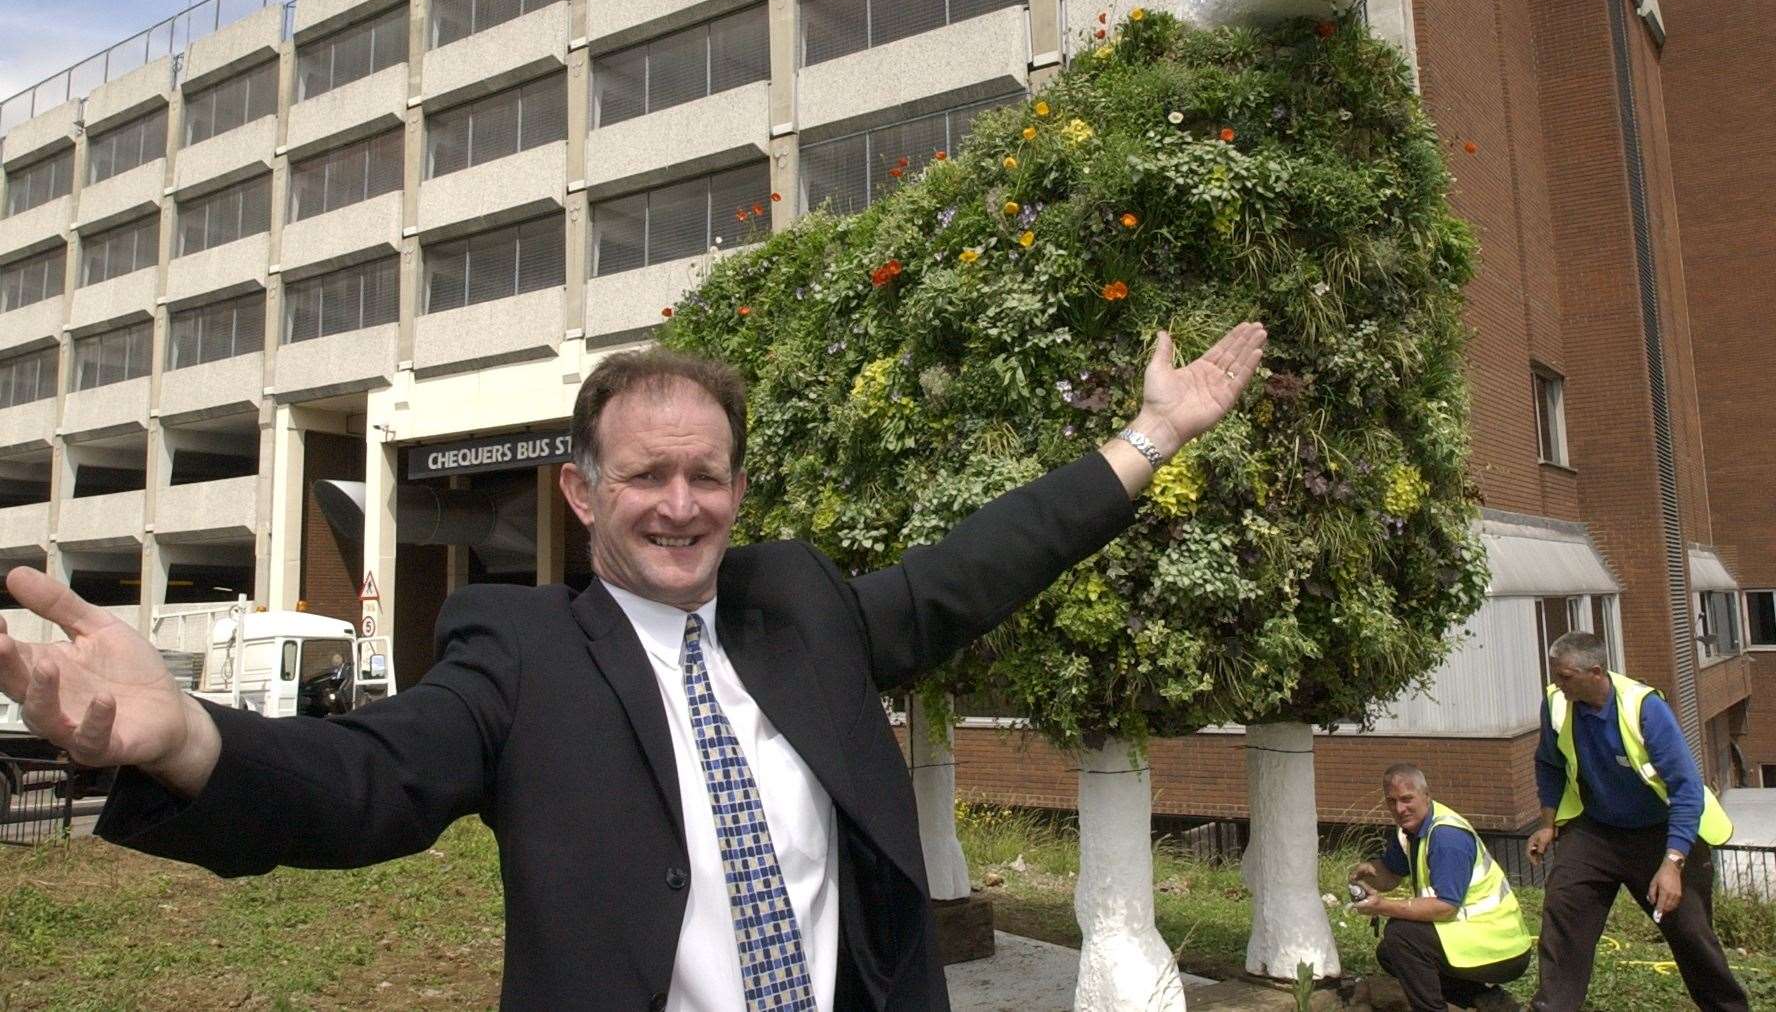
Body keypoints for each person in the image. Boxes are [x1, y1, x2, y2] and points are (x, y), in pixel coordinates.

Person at [0, 323, 1265, 1011]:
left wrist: (1150, 434)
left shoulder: (801, 607)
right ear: (581, 490)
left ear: (738, 486)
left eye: (705, 474)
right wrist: (184, 737)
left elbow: (977, 563)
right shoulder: (518, 647)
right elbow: (369, 777)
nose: (679, 504)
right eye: (646, 475)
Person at [1526, 630, 1748, 1011]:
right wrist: (1548, 823)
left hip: (1662, 833)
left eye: (1564, 676)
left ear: (1595, 672)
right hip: (1596, 831)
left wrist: (1673, 863)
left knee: (1692, 936)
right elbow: (1549, 763)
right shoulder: (1558, 704)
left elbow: (1686, 789)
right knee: (1564, 911)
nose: (1556, 683)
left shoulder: (1645, 709)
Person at [1349, 763, 1531, 1012]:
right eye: (1392, 801)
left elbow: (1445, 907)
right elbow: (1390, 874)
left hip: (1500, 946)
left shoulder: (1447, 838)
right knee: (1390, 953)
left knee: (1401, 935)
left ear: (1426, 795)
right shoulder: (1411, 830)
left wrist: (1383, 907)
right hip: (1475, 934)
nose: (1400, 809)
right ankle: (1486, 1000)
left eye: (1406, 799)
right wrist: (1367, 876)